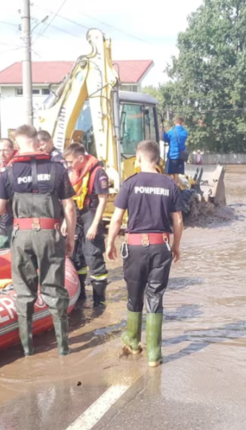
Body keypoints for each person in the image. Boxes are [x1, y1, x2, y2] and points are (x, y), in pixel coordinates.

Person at [0, 125, 76, 356]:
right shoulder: (57, 169)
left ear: (17, 144)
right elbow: (69, 206)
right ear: (37, 142)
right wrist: (71, 236)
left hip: (22, 235)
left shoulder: (8, 172)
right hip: (51, 233)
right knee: (54, 289)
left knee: (24, 292)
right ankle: (63, 349)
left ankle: (28, 351)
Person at [106, 140, 183, 368]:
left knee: (134, 294)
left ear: (138, 159)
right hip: (161, 246)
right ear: (157, 159)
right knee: (155, 296)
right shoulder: (169, 185)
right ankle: (154, 355)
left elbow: (117, 218)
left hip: (136, 246)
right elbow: (178, 220)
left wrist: (110, 242)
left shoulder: (130, 184)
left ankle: (132, 340)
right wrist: (176, 245)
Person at [63, 143, 110, 307]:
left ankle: (99, 302)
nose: (69, 165)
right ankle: (80, 297)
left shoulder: (98, 173)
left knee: (93, 256)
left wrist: (95, 225)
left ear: (80, 158)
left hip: (91, 214)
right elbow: (69, 200)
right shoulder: (73, 174)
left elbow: (103, 201)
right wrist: (65, 221)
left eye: (71, 161)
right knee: (76, 257)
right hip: (77, 216)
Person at [0, 138, 16, 250]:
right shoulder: (3, 165)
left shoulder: (15, 165)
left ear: (13, 150)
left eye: (5, 150)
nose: (2, 153)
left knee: (5, 238)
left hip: (12, 209)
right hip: (4, 209)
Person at [162, 117, 188, 185]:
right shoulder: (185, 132)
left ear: (175, 123)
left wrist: (163, 132)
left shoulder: (171, 132)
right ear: (182, 123)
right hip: (181, 156)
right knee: (176, 173)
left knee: (168, 173)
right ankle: (175, 187)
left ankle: (170, 186)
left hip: (172, 156)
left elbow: (165, 139)